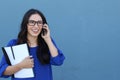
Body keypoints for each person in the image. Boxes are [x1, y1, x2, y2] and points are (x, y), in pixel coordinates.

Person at [0, 9, 65, 80]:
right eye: (32, 22)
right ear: (26, 24)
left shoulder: (47, 42)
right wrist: (20, 66)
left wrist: (48, 39)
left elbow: (58, 61)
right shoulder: (14, 44)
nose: (36, 26)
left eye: (39, 22)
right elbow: (2, 72)